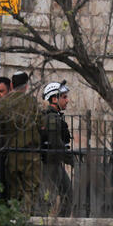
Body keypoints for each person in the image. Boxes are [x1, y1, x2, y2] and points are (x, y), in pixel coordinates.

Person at [0, 71, 41, 207]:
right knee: (31, 188)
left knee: (14, 189)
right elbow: (41, 124)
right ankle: (26, 217)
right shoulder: (32, 102)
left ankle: (14, 218)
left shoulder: (4, 103)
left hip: (12, 152)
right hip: (30, 152)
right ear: (26, 86)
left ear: (11, 84)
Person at [39, 80, 74, 216]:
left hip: (55, 162)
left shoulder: (56, 116)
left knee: (68, 194)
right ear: (54, 98)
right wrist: (70, 159)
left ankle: (61, 225)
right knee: (49, 198)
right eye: (64, 97)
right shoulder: (52, 118)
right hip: (49, 163)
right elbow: (55, 143)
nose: (67, 100)